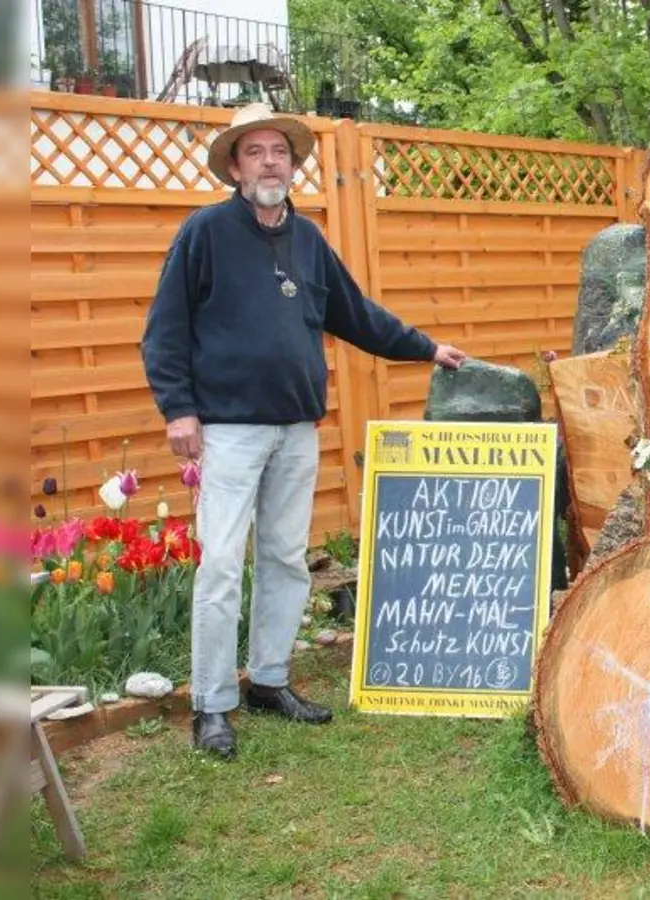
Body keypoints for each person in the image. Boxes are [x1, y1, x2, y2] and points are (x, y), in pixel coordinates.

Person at [141, 103, 467, 760]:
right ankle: (212, 704)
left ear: (292, 166)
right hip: (228, 430)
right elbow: (165, 329)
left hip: (295, 428)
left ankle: (269, 680)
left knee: (286, 559)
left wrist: (427, 348)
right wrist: (178, 409)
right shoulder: (205, 232)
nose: (270, 162)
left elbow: (356, 314)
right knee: (221, 565)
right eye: (255, 152)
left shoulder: (309, 240)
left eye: (279, 152)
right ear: (236, 168)